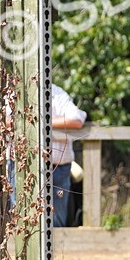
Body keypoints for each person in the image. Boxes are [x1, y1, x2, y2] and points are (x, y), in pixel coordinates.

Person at [50, 84, 87, 227]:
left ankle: (77, 219)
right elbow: (8, 121)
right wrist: (58, 120)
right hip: (22, 165)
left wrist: (43, 121)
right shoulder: (17, 89)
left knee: (57, 217)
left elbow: (76, 119)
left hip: (59, 165)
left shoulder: (57, 93)